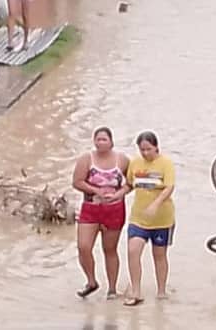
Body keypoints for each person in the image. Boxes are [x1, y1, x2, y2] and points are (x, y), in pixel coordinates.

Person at [72, 127, 130, 300]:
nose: (101, 142)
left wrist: (119, 193)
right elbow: (77, 182)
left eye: (104, 139)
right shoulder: (86, 159)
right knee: (83, 247)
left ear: (111, 142)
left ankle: (112, 289)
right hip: (91, 208)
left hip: (114, 209)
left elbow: (131, 182)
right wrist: (96, 191)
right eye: (98, 139)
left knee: (110, 249)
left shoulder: (123, 160)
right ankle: (91, 281)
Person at [124, 131, 176, 306]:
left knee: (159, 255)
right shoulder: (135, 163)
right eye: (142, 150)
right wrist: (116, 195)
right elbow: (130, 184)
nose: (145, 153)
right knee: (133, 250)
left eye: (148, 149)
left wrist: (156, 204)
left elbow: (169, 187)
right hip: (138, 217)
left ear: (156, 147)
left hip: (162, 219)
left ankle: (161, 290)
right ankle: (136, 291)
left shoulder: (165, 163)